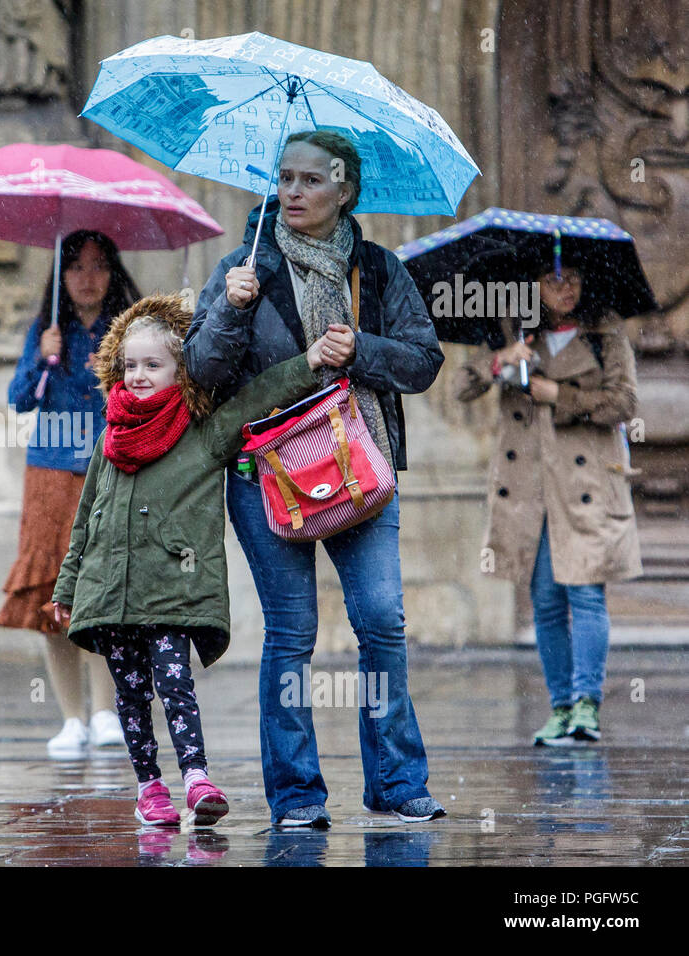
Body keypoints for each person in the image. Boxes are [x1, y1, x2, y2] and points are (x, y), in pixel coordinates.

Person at [183, 129, 447, 827]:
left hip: (363, 468)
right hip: (265, 475)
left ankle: (397, 782)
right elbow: (201, 376)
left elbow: (423, 361)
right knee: (292, 632)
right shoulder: (243, 267)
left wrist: (362, 348)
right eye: (284, 178)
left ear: (345, 190)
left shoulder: (382, 271)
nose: (291, 192)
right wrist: (230, 310)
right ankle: (297, 796)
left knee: (382, 621)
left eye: (309, 180)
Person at [51, 293, 324, 826]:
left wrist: (308, 364)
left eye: (153, 365)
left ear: (182, 371)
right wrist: (67, 588)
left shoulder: (201, 432)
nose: (139, 375)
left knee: (175, 684)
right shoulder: (110, 436)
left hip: (171, 590)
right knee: (129, 696)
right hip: (112, 593)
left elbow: (257, 399)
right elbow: (86, 519)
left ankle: (196, 776)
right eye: (130, 365)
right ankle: (149, 787)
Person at [455, 261, 641, 745]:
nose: (566, 289)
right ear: (534, 284)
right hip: (529, 489)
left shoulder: (605, 333)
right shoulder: (511, 328)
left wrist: (561, 394)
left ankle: (586, 705)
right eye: (554, 279)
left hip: (587, 484)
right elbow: (460, 387)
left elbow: (624, 403)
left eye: (575, 279)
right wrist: (500, 361)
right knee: (545, 601)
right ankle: (559, 707)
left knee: (585, 592)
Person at [0, 231, 141, 758]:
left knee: (103, 593)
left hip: (109, 470)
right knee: (53, 598)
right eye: (76, 267)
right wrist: (41, 359)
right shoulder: (46, 329)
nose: (87, 277)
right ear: (61, 277)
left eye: (99, 266)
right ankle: (71, 718)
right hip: (50, 478)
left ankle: (106, 712)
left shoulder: (127, 333)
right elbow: (18, 401)